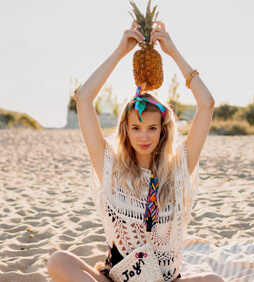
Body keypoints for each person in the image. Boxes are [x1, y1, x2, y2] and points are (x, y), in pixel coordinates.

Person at [47, 20, 224, 282]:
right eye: (136, 127)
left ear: (162, 131)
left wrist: (172, 50)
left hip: (164, 279)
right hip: (120, 278)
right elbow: (83, 98)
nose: (144, 136)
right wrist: (120, 52)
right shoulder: (110, 166)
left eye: (152, 128)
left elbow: (207, 103)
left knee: (213, 281)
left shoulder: (178, 169)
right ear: (126, 130)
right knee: (58, 261)